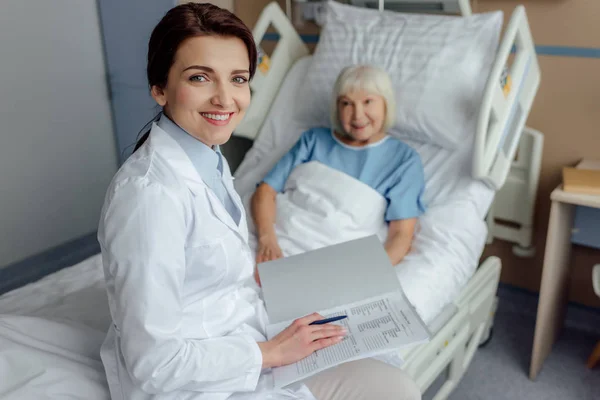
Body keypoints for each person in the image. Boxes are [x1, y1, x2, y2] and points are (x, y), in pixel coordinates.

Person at [98, 3, 421, 400]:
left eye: (238, 79)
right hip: (193, 383)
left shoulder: (210, 158)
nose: (224, 98)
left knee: (394, 385)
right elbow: (153, 365)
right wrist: (271, 352)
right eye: (200, 77)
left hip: (243, 336)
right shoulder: (149, 198)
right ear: (159, 87)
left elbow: (215, 276)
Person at [251, 65, 427, 266]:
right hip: (276, 243)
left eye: (368, 102)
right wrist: (267, 241)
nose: (357, 115)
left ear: (386, 104)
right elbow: (265, 192)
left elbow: (401, 234)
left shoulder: (404, 160)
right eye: (347, 104)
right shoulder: (313, 140)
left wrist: (369, 275)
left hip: (331, 262)